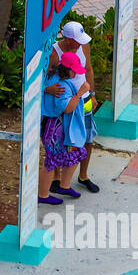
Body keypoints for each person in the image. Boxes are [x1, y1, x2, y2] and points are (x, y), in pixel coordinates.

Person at [44, 20, 101, 192]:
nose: (81, 43)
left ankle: (83, 176)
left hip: (83, 100)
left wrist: (92, 94)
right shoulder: (54, 52)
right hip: (65, 103)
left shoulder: (84, 46)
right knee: (60, 141)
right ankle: (56, 178)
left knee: (87, 138)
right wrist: (47, 89)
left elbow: (88, 69)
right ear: (68, 40)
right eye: (78, 41)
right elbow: (42, 77)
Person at [38, 52, 91, 205]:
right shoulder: (61, 86)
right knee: (51, 161)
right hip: (55, 130)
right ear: (66, 69)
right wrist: (80, 93)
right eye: (74, 70)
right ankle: (43, 195)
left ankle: (64, 185)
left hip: (59, 127)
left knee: (76, 152)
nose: (76, 73)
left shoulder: (54, 77)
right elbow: (67, 108)